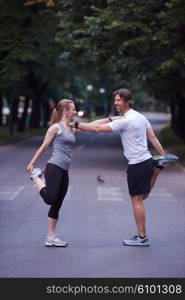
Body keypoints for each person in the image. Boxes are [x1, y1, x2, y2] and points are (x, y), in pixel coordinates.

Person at [70, 88, 168, 247]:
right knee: (141, 198)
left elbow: (97, 129)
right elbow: (152, 137)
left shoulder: (127, 120)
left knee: (137, 200)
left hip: (137, 163)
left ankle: (142, 236)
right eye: (115, 100)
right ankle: (156, 169)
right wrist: (162, 156)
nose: (115, 103)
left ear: (127, 101)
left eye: (118, 100)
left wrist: (75, 123)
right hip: (145, 160)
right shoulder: (140, 117)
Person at [27, 99, 77, 247]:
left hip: (65, 170)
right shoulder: (56, 128)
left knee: (57, 203)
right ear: (65, 111)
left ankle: (51, 237)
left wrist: (111, 120)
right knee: (50, 199)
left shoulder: (71, 127)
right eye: (73, 109)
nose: (75, 112)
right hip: (54, 167)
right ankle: (36, 177)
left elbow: (93, 126)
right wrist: (32, 163)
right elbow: (43, 147)